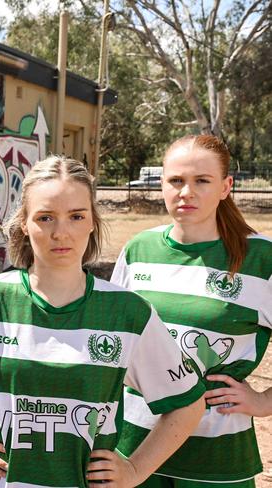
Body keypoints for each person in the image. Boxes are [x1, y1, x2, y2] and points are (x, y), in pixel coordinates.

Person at [0, 155, 206, 487]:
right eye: (45, 217)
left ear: (92, 222)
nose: (61, 232)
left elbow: (187, 403)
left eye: (76, 216)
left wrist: (135, 469)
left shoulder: (128, 312)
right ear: (24, 224)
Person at [111, 134, 272, 487]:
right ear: (162, 185)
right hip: (133, 445)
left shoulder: (262, 258)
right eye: (176, 181)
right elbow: (113, 338)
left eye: (202, 181)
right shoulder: (139, 249)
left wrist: (263, 402)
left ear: (226, 187)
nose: (187, 192)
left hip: (216, 454)